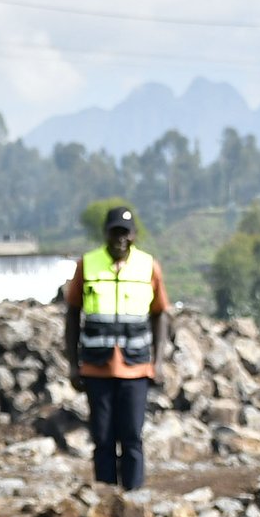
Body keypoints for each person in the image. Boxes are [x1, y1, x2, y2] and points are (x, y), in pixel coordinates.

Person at [65, 204, 170, 492]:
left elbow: (160, 313)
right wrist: (73, 364)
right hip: (97, 367)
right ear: (106, 234)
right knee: (102, 438)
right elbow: (72, 314)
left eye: (125, 233)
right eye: (115, 233)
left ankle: (134, 495)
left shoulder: (148, 266)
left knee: (132, 437)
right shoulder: (87, 264)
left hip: (135, 368)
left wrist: (158, 362)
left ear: (134, 235)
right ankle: (106, 495)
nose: (120, 239)